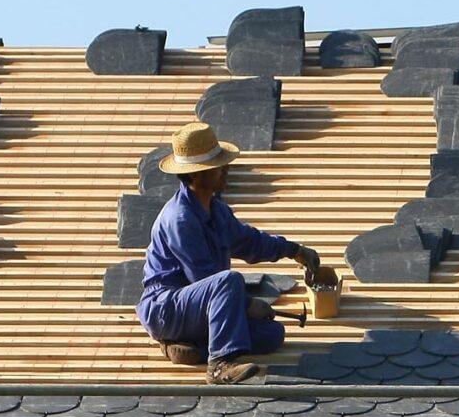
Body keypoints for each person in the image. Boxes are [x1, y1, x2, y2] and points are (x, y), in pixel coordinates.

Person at [136, 121, 321, 384]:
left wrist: (294, 251)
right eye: (217, 166)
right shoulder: (179, 220)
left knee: (271, 334)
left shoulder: (217, 210)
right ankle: (219, 366)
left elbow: (250, 242)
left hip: (200, 307)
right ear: (196, 175)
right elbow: (204, 278)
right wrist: (246, 305)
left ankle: (193, 347)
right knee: (229, 280)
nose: (226, 169)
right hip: (168, 309)